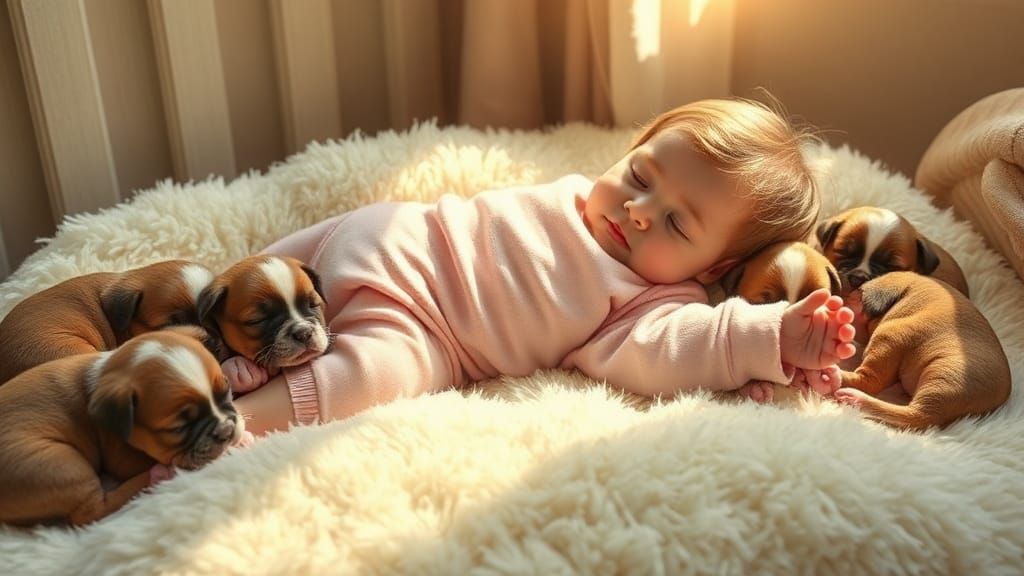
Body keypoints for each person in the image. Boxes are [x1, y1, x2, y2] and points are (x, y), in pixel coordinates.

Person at [233, 98, 856, 435]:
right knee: (239, 284)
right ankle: (190, 323)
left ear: (714, 264)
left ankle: (233, 421)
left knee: (373, 375)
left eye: (676, 224)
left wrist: (772, 335)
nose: (640, 211)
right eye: (640, 176)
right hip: (388, 235)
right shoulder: (578, 192)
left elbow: (680, 351)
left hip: (425, 327)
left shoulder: (654, 302)